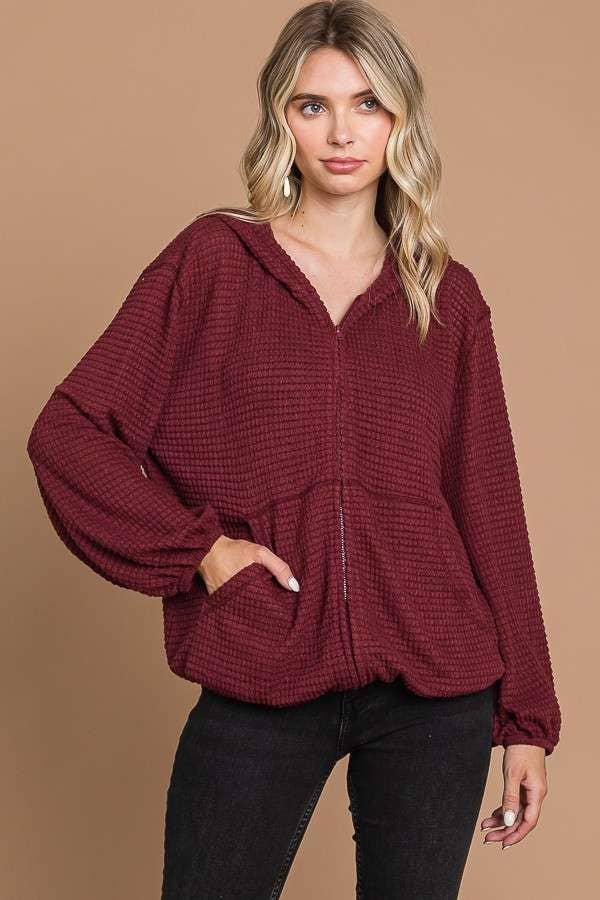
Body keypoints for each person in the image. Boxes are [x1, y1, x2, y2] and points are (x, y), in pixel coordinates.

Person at [26, 1, 561, 897]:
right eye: (314, 106)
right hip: (263, 666)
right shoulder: (213, 263)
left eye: (368, 104)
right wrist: (202, 551)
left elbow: (490, 510)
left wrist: (527, 721)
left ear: (400, 121)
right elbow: (68, 436)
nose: (342, 133)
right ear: (281, 117)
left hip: (435, 692)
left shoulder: (446, 297)